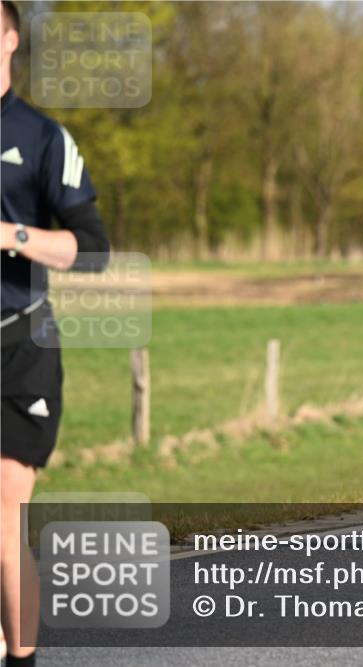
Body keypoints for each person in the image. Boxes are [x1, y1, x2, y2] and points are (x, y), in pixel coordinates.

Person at [1, 1, 110, 663]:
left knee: (2, 512)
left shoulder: (42, 138)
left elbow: (91, 251)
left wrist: (11, 235)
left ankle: (24, 658)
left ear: (10, 39)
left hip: (21, 348)